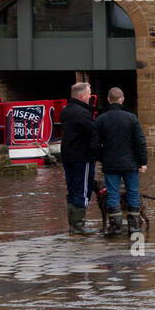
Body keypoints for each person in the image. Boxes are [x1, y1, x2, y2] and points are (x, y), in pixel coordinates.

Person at [91, 87, 148, 238]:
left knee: (113, 194)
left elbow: (95, 145)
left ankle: (115, 228)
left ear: (109, 100)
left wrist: (102, 158)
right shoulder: (132, 118)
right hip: (131, 164)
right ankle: (134, 228)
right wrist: (143, 162)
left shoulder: (100, 120)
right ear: (122, 100)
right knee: (132, 193)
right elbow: (140, 142)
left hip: (110, 164)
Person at [60, 81, 97, 236]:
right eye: (89, 93)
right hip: (82, 157)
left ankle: (73, 226)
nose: (91, 96)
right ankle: (78, 226)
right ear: (82, 96)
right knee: (82, 190)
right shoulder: (81, 112)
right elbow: (94, 132)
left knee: (72, 190)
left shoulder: (66, 110)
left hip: (68, 156)